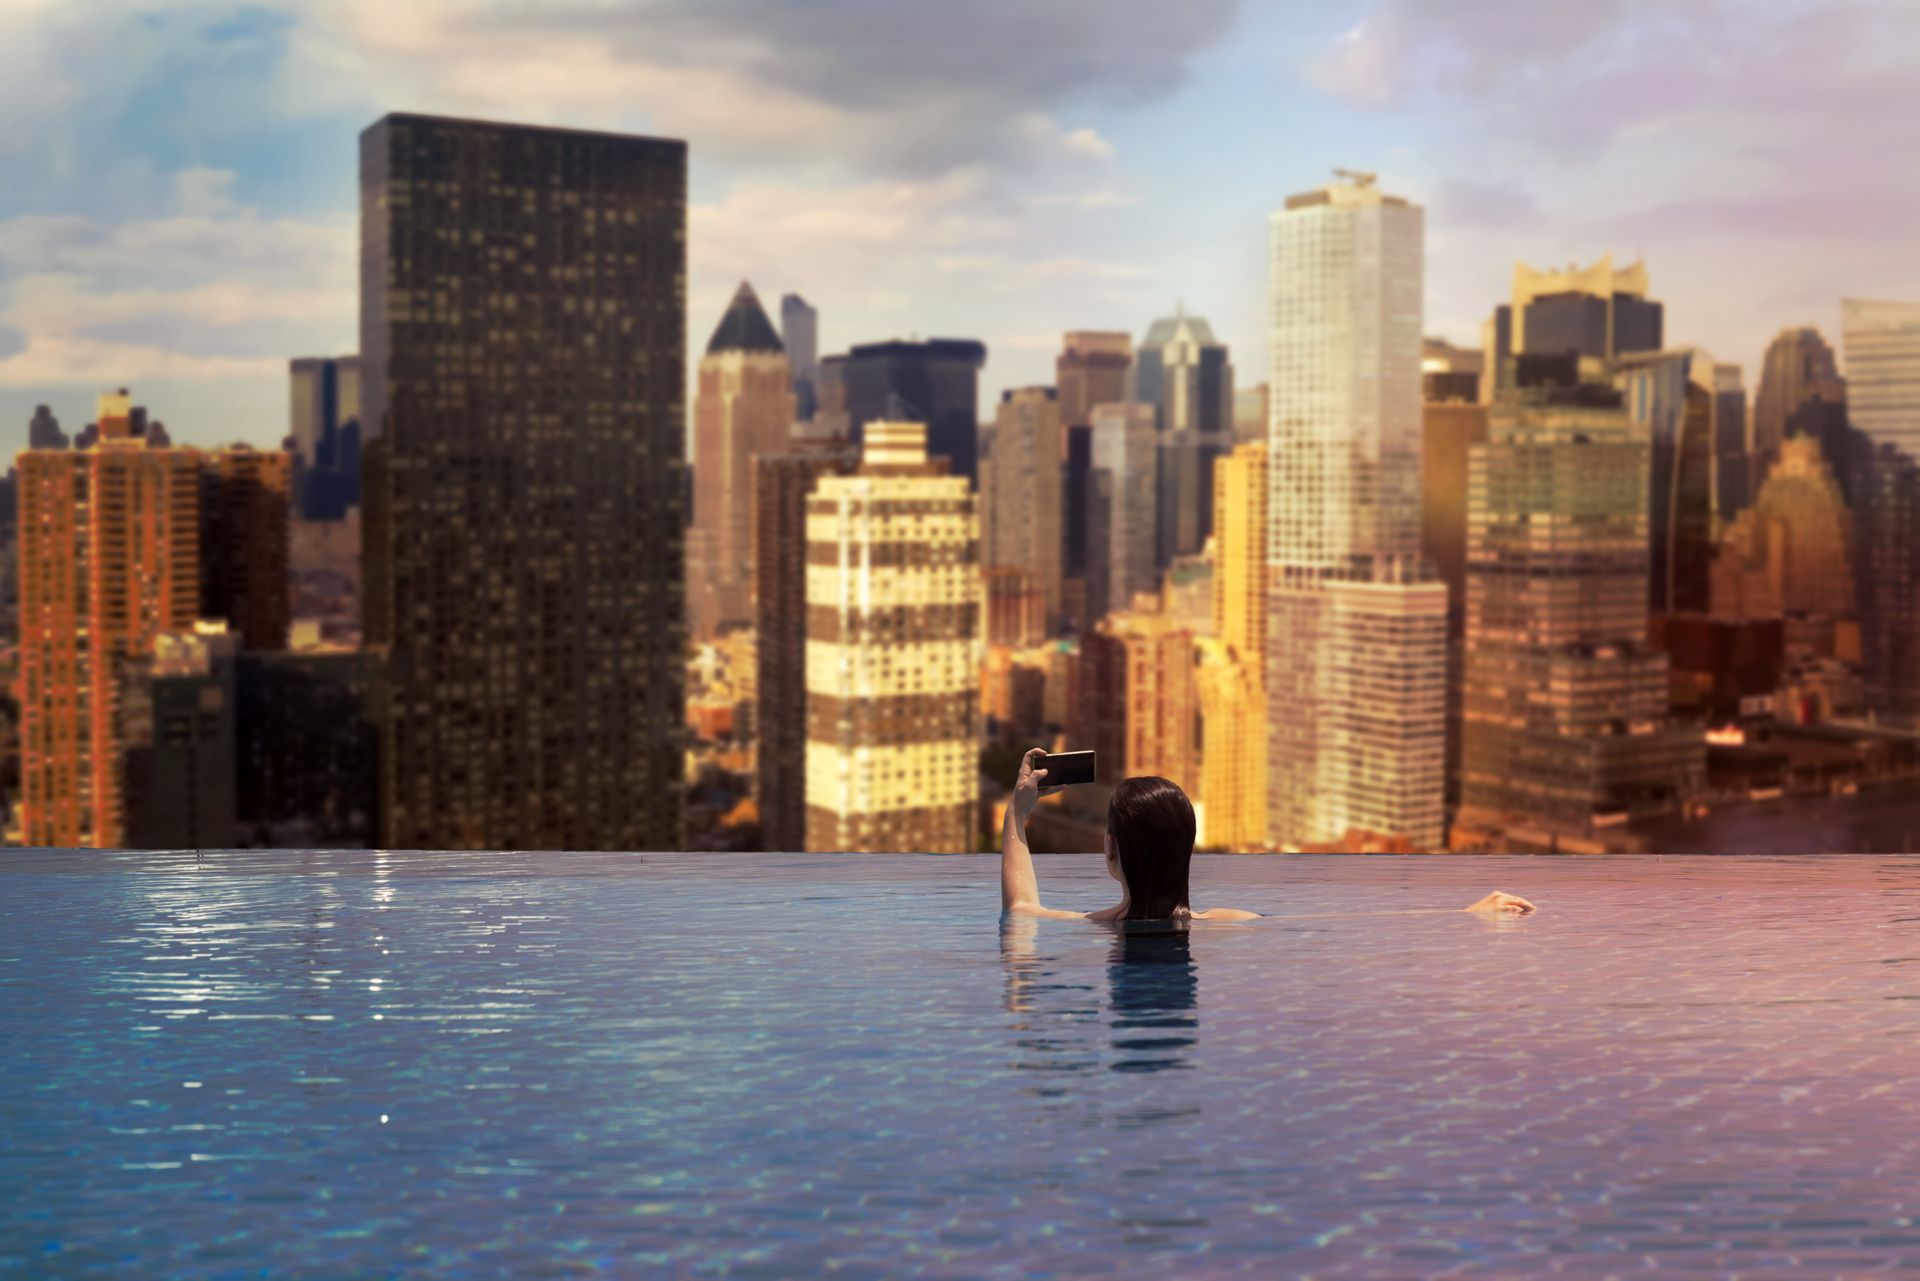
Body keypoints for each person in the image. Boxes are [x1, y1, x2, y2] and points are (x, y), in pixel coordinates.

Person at [1000, 747, 1536, 919]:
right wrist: (1470, 913)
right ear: (1187, 847)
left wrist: (1017, 814)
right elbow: (1342, 924)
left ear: (1111, 849)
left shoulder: (1093, 927)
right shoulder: (1225, 923)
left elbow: (1019, 908)